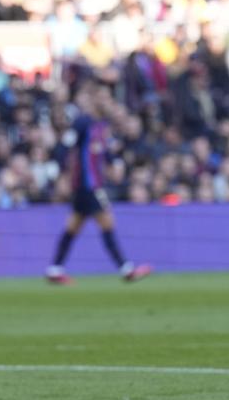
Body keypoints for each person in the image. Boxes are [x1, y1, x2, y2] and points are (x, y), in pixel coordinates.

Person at [45, 84, 152, 285]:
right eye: (102, 98)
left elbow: (105, 152)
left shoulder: (100, 125)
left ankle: (55, 269)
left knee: (73, 226)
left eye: (108, 98)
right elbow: (66, 147)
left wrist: (115, 164)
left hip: (90, 185)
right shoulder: (83, 123)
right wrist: (59, 174)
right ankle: (126, 268)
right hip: (87, 185)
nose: (106, 102)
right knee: (106, 221)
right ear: (94, 100)